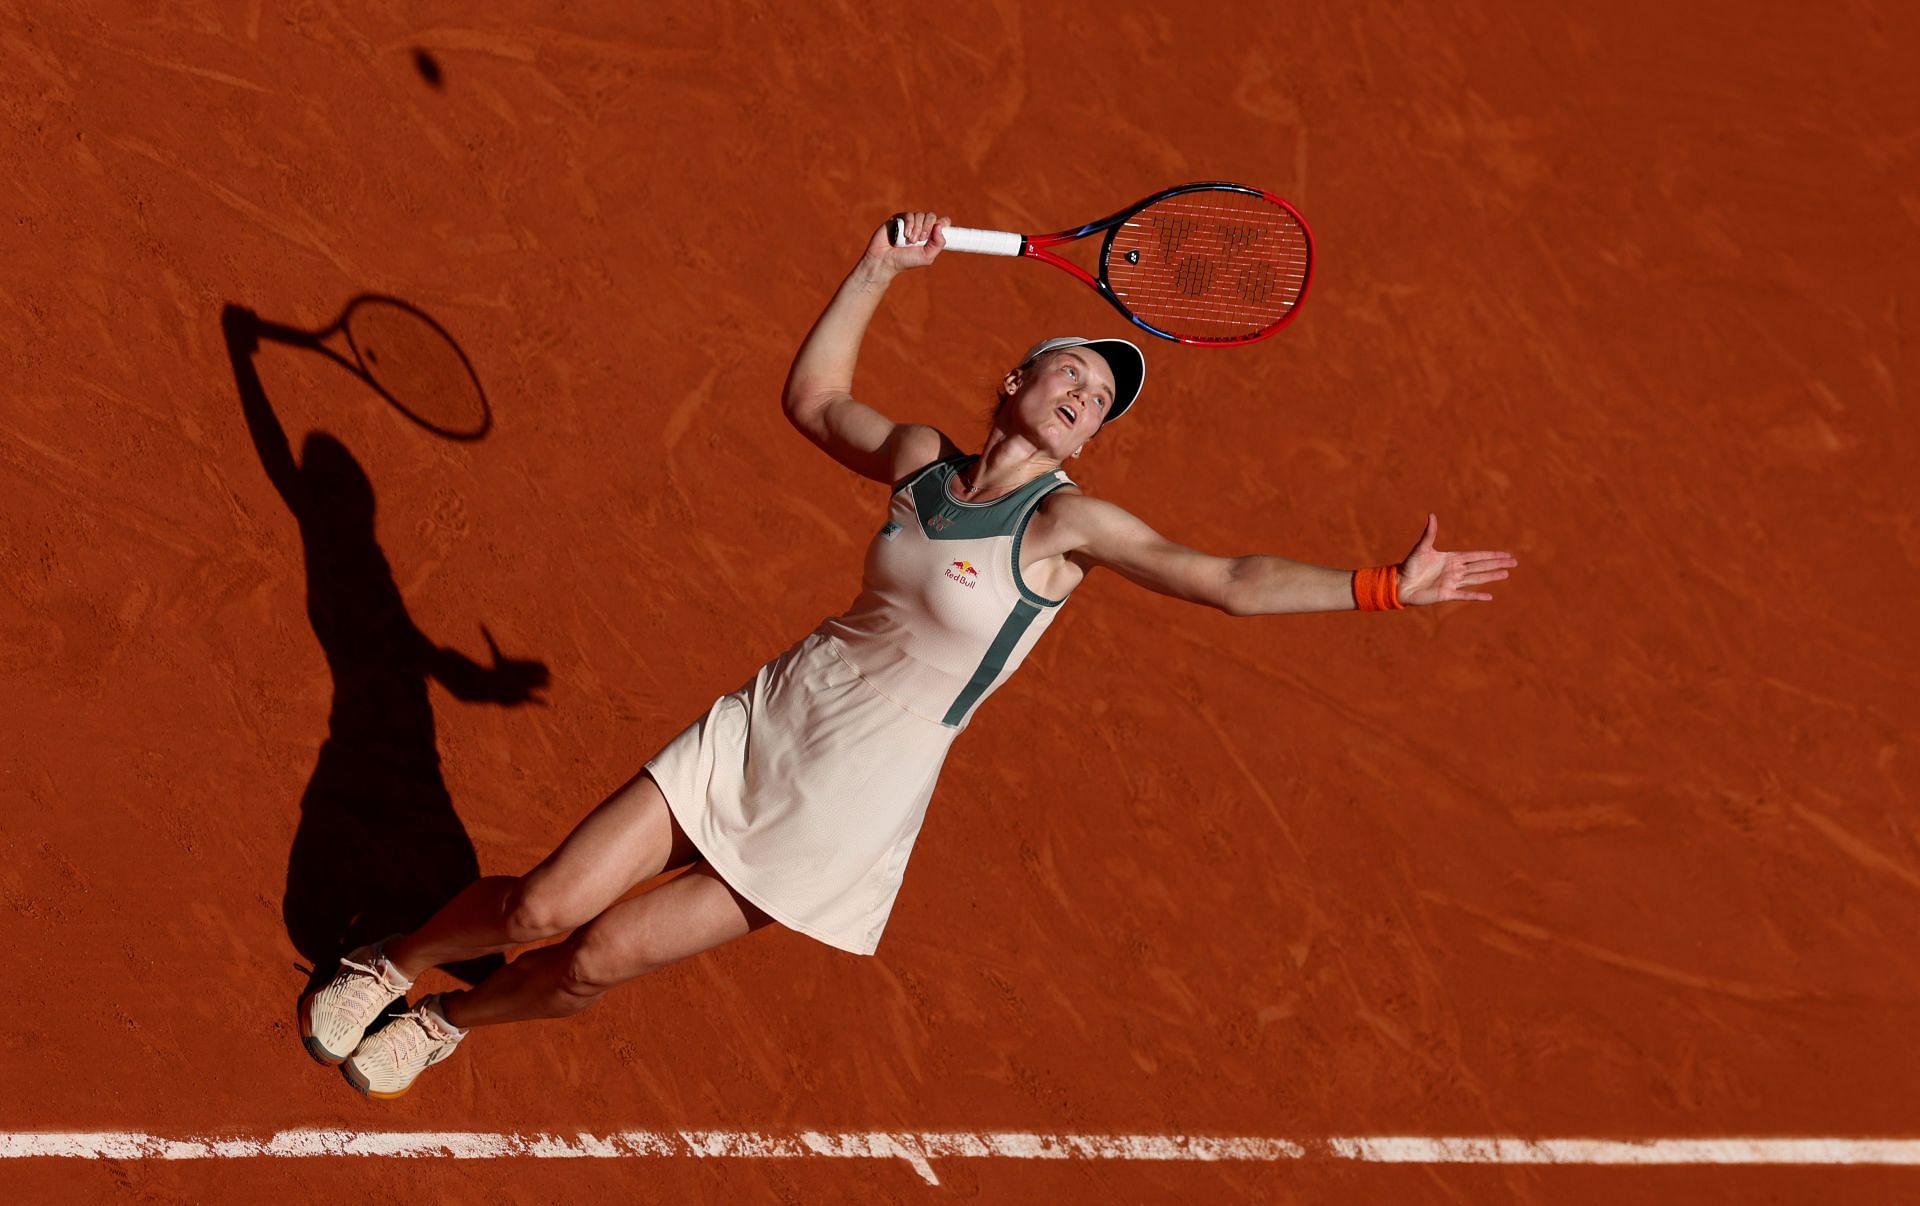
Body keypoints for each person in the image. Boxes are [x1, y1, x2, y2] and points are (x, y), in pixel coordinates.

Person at [299, 212, 1518, 1098]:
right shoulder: (924, 461)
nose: (1090, 393)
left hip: (844, 814)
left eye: (1106, 397)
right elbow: (816, 400)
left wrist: (1382, 589)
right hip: (767, 723)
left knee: (596, 962)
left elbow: (1232, 584)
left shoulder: (1067, 528)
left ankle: (453, 1022)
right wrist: (876, 269)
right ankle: (391, 959)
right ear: (1018, 380)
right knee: (542, 902)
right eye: (1077, 371)